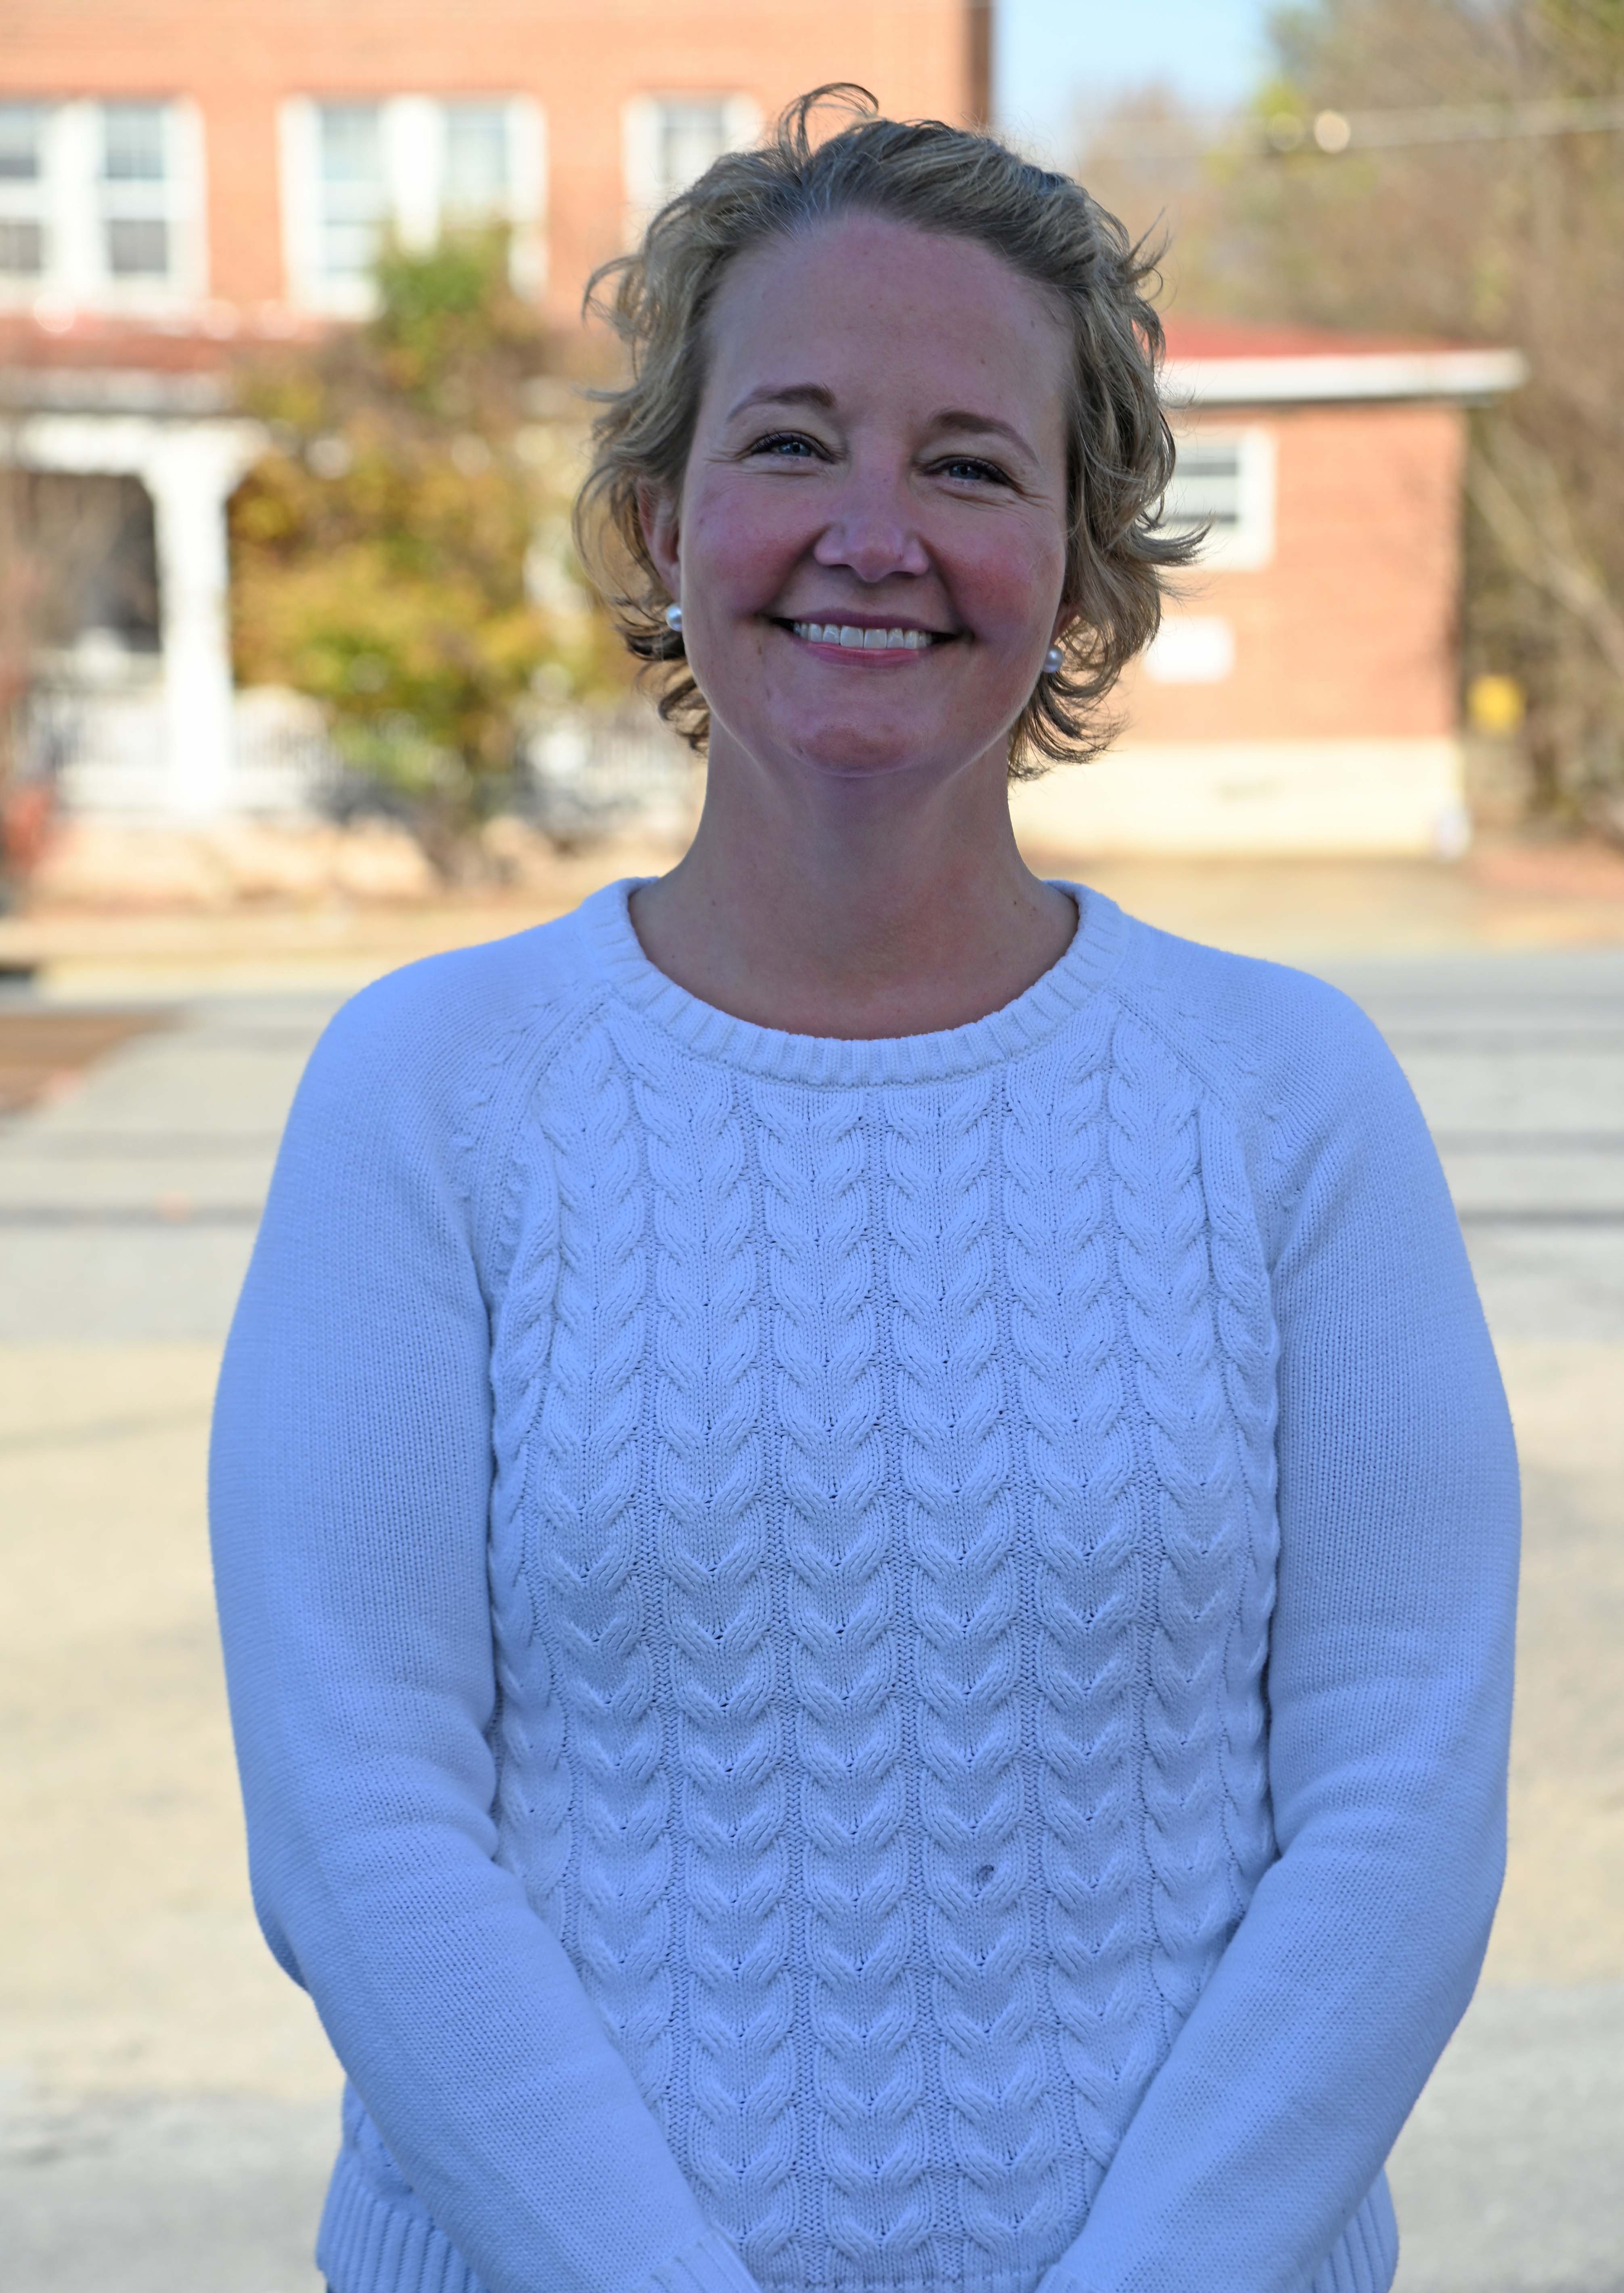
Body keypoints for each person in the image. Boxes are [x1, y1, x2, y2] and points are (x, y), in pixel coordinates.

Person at [210, 88, 1520, 2293]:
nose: (872, 530)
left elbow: (1395, 1818)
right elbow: (361, 1831)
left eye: (972, 464)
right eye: (792, 440)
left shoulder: (1284, 1100)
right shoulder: (431, 1097)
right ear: (658, 514)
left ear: (1089, 567)